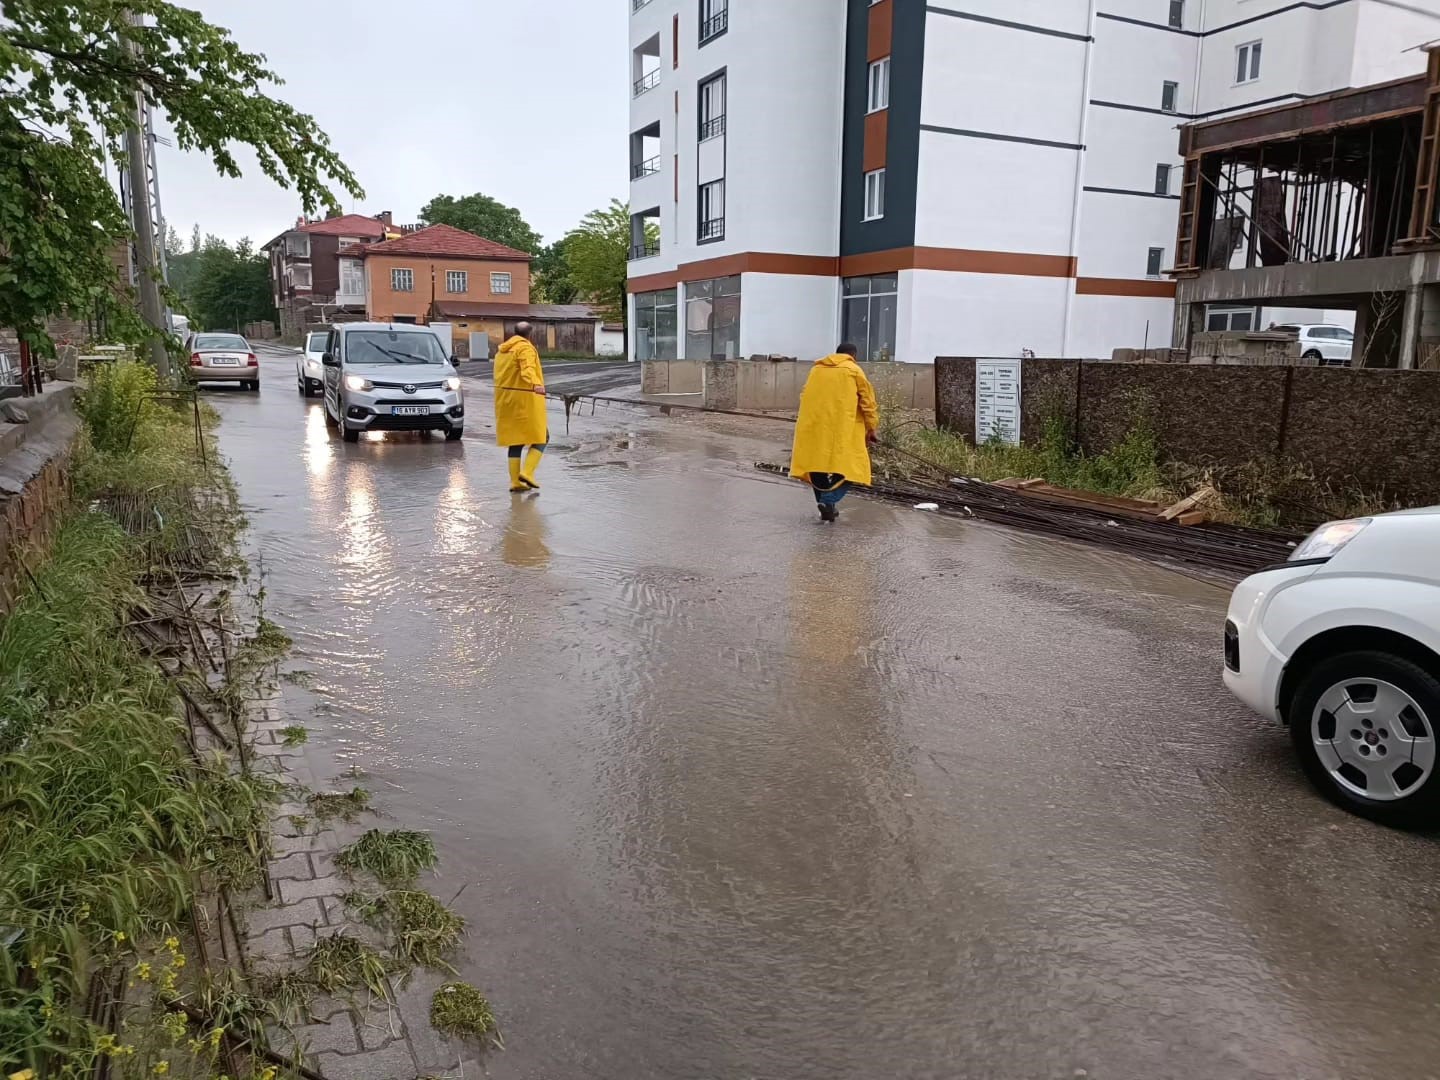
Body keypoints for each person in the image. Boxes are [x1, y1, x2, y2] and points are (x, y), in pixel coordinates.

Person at [789, 344, 879, 523]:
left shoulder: (816, 370)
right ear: (853, 355)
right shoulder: (853, 370)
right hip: (843, 429)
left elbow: (804, 395)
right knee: (854, 467)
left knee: (817, 465)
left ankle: (826, 506)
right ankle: (828, 500)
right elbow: (867, 402)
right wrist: (872, 427)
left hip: (814, 427)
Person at [493, 322, 548, 492]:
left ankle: (515, 482)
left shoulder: (502, 351)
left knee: (515, 441)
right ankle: (527, 473)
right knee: (543, 436)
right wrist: (536, 384)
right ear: (530, 334)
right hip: (524, 400)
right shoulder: (525, 349)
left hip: (506, 400)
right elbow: (527, 369)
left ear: (514, 333)